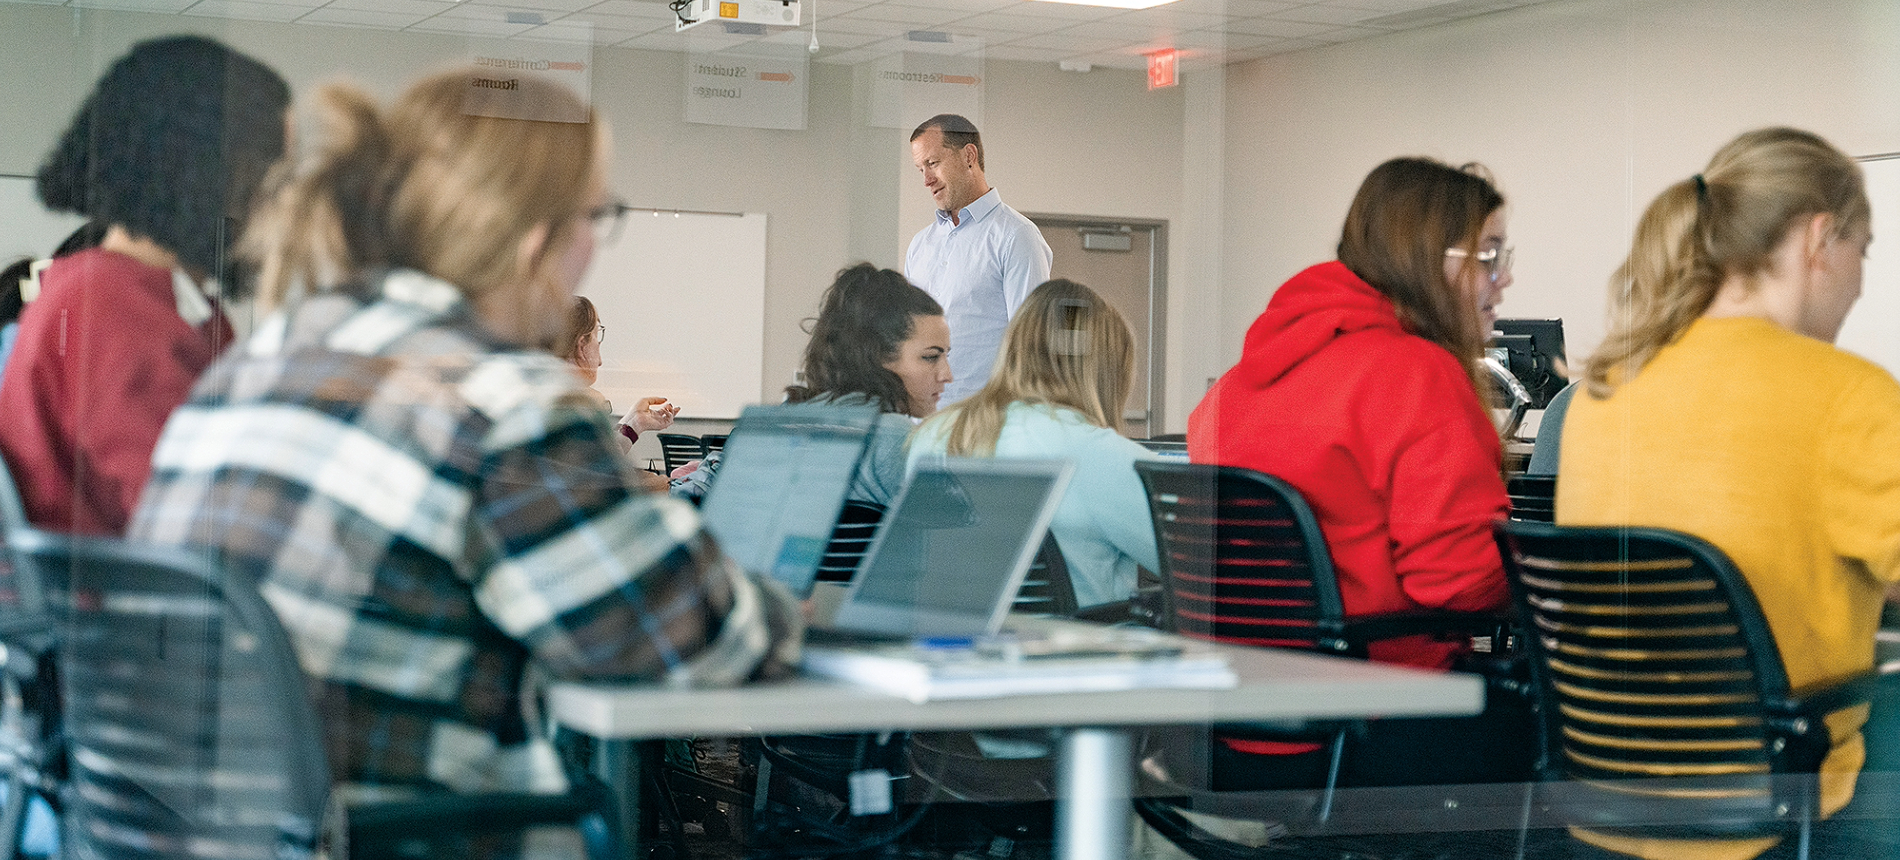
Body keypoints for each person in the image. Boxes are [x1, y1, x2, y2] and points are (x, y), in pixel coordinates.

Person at [129, 69, 800, 816]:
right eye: (597, 216)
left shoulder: (258, 361)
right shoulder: (503, 399)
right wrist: (796, 607)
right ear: (537, 235)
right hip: (400, 833)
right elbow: (701, 644)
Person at [1558, 127, 1898, 860]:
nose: (1862, 280)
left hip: (1608, 787)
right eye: (1862, 251)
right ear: (1820, 239)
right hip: (1775, 797)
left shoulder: (1602, 391)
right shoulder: (1847, 395)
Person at [1187, 156, 1529, 787]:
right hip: (1375, 722)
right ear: (1430, 259)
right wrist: (1544, 580)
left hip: (1233, 727)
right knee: (1574, 735)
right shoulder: (1416, 375)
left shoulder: (1232, 389)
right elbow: (1457, 586)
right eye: (1488, 255)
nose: (1502, 280)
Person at [0, 36, 289, 535]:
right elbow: (176, 515)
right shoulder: (110, 305)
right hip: (117, 600)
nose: (283, 198)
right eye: (271, 170)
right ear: (205, 172)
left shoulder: (167, 302)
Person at [908, 279, 1158, 609]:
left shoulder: (932, 435)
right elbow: (1200, 568)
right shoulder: (1099, 453)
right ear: (1105, 371)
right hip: (1075, 651)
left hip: (951, 647)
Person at [672, 263, 950, 506]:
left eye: (946, 356)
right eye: (931, 357)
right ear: (878, 356)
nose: (947, 374)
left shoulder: (790, 422)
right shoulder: (895, 438)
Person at [904, 113, 1053, 406]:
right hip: (925, 423)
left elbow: (1032, 348)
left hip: (986, 424)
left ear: (969, 156)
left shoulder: (1016, 237)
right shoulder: (920, 245)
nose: (926, 180)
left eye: (933, 164)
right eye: (920, 169)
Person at [553, 294, 680, 452]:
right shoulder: (584, 405)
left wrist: (635, 422)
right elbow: (601, 472)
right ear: (581, 345)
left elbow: (601, 457)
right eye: (597, 335)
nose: (600, 362)